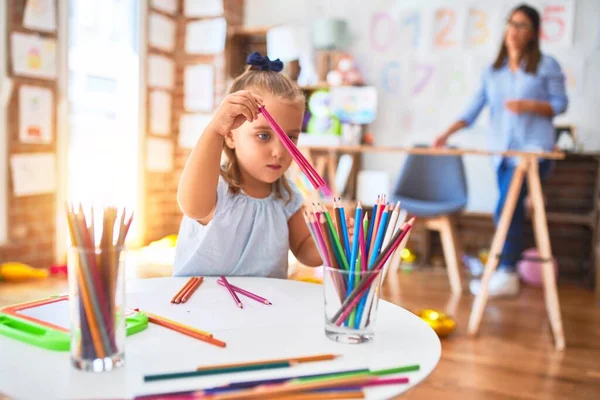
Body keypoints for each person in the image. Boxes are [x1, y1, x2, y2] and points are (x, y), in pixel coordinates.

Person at [434, 4, 568, 297]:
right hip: (503, 153)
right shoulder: (493, 72)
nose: (514, 31)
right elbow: (472, 110)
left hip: (534, 151)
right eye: (511, 24)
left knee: (504, 209)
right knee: (511, 211)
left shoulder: (547, 66)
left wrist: (530, 105)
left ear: (533, 33)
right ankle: (506, 269)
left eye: (522, 25)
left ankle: (507, 270)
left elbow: (560, 104)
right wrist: (445, 134)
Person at [173, 52, 325, 278]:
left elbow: (304, 251)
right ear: (230, 136)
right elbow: (192, 207)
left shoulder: (287, 195)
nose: (279, 151)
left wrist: (333, 242)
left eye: (290, 138)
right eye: (264, 136)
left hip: (262, 307)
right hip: (199, 304)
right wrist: (215, 129)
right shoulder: (217, 186)